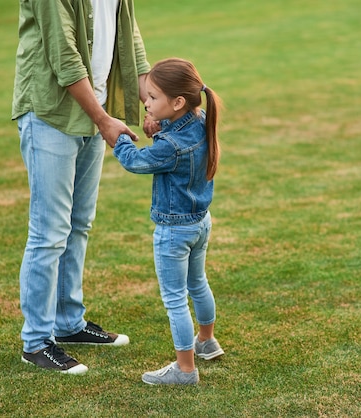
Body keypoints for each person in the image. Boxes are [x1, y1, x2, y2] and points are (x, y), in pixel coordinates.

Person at [12, 0, 152, 374]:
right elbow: (64, 55)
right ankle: (37, 342)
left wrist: (155, 105)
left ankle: (69, 324)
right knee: (50, 231)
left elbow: (130, 40)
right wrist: (103, 118)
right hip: (51, 113)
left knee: (78, 223)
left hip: (95, 112)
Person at [112, 58, 225, 385]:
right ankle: (206, 341)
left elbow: (134, 161)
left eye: (152, 97)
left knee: (175, 299)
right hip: (200, 223)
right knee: (198, 283)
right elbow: (175, 138)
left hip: (174, 232)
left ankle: (185, 370)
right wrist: (160, 127)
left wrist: (119, 135)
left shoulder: (170, 147)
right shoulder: (200, 119)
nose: (146, 103)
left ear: (177, 102)